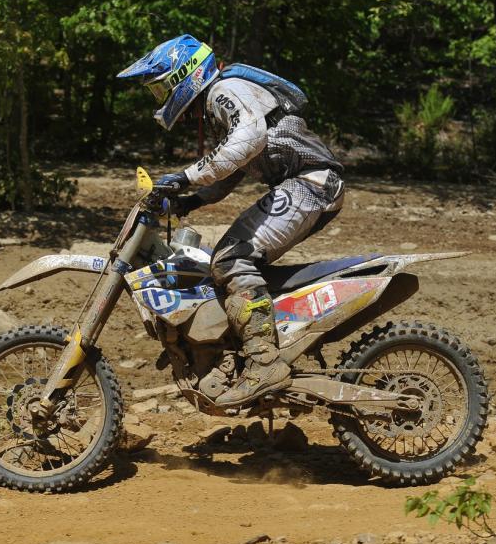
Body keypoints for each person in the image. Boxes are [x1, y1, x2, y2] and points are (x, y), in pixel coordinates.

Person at [118, 34, 346, 407]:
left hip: (311, 183)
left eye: (161, 90)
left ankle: (263, 363)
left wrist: (186, 176)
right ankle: (241, 347)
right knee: (226, 262)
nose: (160, 101)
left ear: (184, 75)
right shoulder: (223, 96)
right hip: (308, 184)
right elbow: (234, 168)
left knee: (230, 258)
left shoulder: (224, 89)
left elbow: (248, 139)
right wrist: (190, 201)